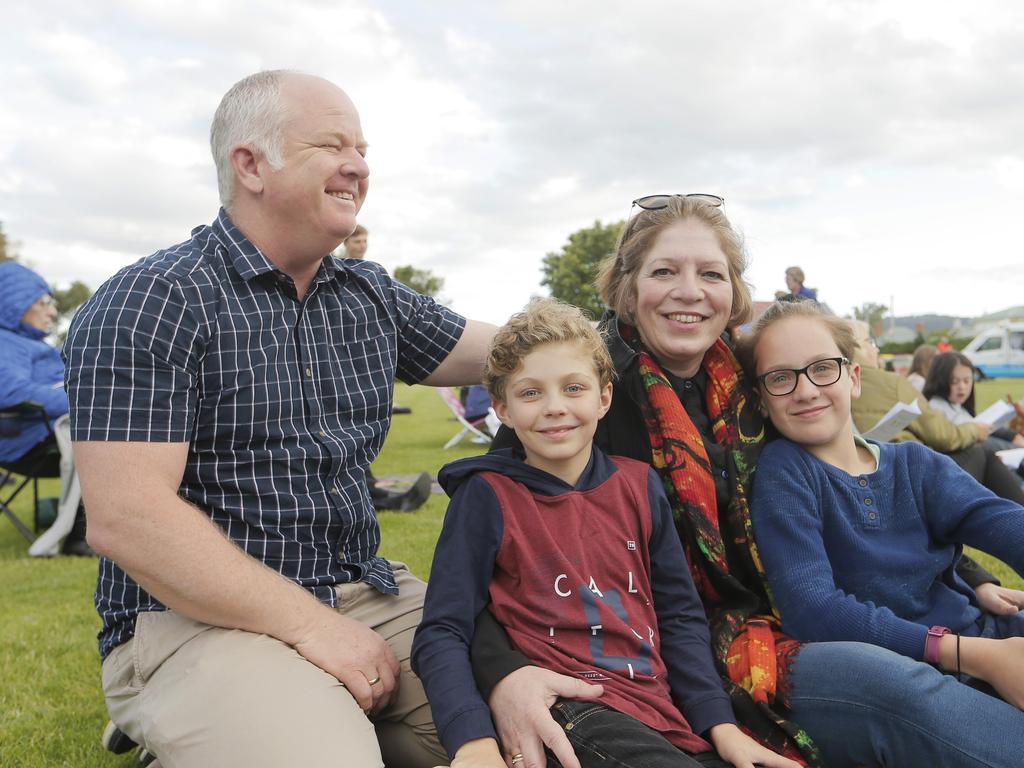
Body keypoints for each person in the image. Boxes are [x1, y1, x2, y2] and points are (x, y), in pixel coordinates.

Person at [472, 194, 1023, 768]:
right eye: (665, 271)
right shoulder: (580, 394)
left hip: (802, 608)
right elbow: (485, 554)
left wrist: (966, 569)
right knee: (897, 686)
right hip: (687, 645)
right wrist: (503, 673)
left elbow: (858, 476)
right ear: (628, 287)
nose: (690, 291)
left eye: (710, 273)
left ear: (731, 292)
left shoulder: (754, 383)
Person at [64, 70, 495, 767]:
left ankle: (280, 721)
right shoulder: (153, 299)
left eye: (362, 147)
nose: (358, 165)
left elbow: (508, 351)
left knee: (540, 719)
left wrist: (644, 322)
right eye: (331, 144)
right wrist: (311, 627)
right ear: (250, 165)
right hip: (195, 619)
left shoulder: (367, 294)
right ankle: (206, 710)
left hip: (367, 594)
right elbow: (127, 516)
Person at [413, 298, 797, 768]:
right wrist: (472, 744)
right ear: (503, 409)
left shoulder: (639, 485)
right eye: (530, 393)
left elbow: (678, 616)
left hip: (657, 714)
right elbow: (443, 629)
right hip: (566, 711)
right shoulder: (486, 497)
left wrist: (721, 727)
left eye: (573, 388)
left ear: (604, 397)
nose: (555, 408)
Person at [741, 301, 1024, 758]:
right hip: (904, 667)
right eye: (781, 377)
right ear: (761, 399)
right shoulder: (786, 473)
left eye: (822, 369)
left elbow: (1001, 521)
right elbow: (814, 608)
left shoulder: (915, 464)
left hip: (978, 634)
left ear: (853, 378)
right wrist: (974, 656)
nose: (806, 389)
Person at [0, 261, 90, 556]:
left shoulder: (29, 343)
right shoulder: (5, 343)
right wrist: (87, 400)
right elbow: (9, 391)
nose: (52, 312)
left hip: (45, 432)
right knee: (109, 435)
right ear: (16, 303)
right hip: (25, 440)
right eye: (44, 303)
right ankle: (78, 537)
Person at [923, 351, 1024, 453]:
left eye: (967, 381)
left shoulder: (957, 406)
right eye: (954, 381)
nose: (962, 387)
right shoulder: (936, 409)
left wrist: (1013, 437)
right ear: (940, 381)